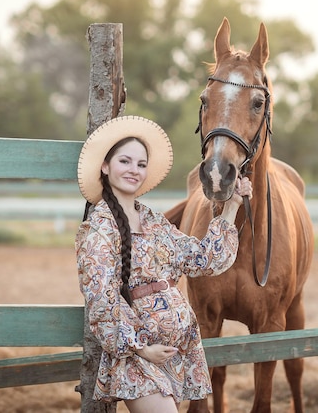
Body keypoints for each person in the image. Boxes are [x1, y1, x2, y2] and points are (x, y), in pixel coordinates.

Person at [75, 115, 252, 413]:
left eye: (141, 164)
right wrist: (142, 349)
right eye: (125, 161)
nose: (134, 170)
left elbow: (204, 259)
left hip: (178, 351)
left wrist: (232, 205)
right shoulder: (99, 230)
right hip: (139, 356)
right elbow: (101, 301)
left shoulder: (154, 221)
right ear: (105, 167)